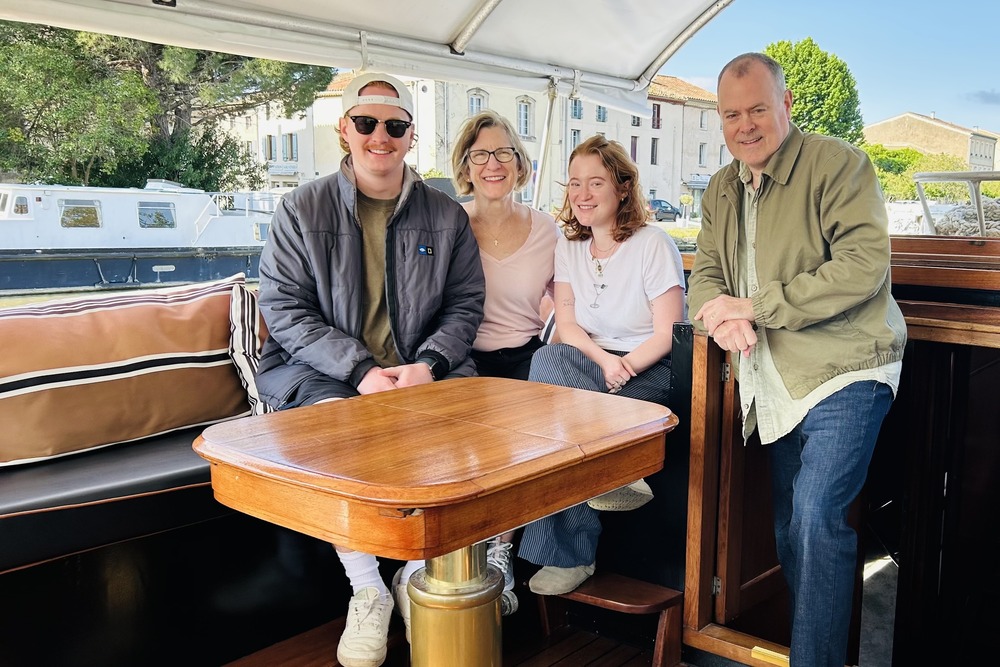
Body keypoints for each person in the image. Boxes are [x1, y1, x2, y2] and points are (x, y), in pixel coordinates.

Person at [254, 72, 485, 667]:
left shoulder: (447, 216)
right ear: (344, 131)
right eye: (366, 123)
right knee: (336, 442)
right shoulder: (299, 208)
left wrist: (429, 364)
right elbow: (283, 309)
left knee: (459, 440)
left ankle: (412, 574)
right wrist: (358, 371)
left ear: (411, 137)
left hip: (423, 368)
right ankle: (368, 588)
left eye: (394, 125)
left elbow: (465, 304)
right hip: (323, 370)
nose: (379, 136)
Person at [686, 52, 907, 667]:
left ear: (786, 105)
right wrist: (718, 315)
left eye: (758, 108)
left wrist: (754, 306)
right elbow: (704, 275)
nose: (745, 125)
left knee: (814, 519)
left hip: (848, 368)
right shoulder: (722, 188)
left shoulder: (840, 164)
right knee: (791, 533)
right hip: (771, 379)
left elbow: (863, 267)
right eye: (731, 114)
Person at [518, 134, 687, 596]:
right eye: (574, 184)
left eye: (596, 183)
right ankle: (615, 468)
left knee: (562, 418)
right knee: (549, 358)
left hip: (653, 366)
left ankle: (576, 544)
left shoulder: (654, 244)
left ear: (622, 188)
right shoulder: (569, 247)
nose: (583, 194)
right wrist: (604, 363)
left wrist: (625, 366)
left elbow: (668, 333)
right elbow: (568, 325)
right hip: (596, 363)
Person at [449, 109, 561, 616]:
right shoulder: (448, 225)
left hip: (526, 358)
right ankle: (448, 560)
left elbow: (572, 301)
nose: (493, 164)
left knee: (517, 452)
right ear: (466, 167)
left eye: (504, 153)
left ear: (520, 164)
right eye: (481, 155)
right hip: (458, 358)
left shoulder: (548, 230)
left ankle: (500, 556)